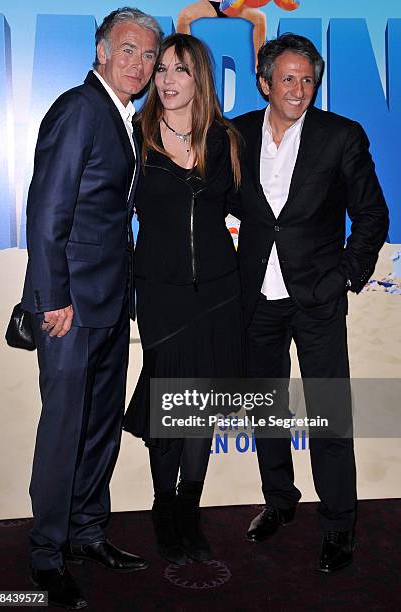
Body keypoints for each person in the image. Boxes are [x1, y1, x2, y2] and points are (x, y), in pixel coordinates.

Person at [20, 7, 162, 609]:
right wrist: (54, 300)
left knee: (100, 430)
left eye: (149, 55)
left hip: (108, 305)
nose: (139, 63)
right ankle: (47, 557)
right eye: (127, 50)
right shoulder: (80, 108)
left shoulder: (122, 115)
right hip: (71, 311)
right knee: (63, 433)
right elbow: (46, 211)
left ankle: (87, 531)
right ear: (101, 50)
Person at [234, 33, 389, 572]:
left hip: (318, 299)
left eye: (307, 80)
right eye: (288, 79)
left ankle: (340, 524)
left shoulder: (340, 136)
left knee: (327, 415)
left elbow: (372, 215)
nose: (299, 90)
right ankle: (279, 502)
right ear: (264, 82)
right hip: (254, 299)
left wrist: (345, 276)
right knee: (267, 412)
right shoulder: (235, 135)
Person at [124, 33, 243, 566]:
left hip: (218, 291)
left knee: (201, 409)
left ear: (200, 79)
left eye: (180, 70)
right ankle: (163, 504)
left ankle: (189, 509)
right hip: (159, 292)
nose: (167, 79)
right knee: (170, 402)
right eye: (163, 69)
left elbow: (253, 211)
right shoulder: (137, 135)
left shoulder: (225, 139)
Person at [177, 0, 266, 65]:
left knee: (260, 18)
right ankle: (183, 59)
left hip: (233, 5)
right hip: (210, 4)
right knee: (184, 16)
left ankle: (259, 61)